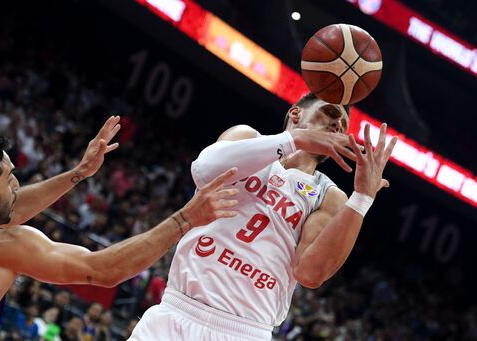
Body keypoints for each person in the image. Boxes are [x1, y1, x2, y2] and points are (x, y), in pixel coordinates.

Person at [0, 116, 239, 340]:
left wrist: (78, 173)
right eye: (9, 179)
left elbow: (5, 208)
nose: (17, 184)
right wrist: (185, 218)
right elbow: (104, 270)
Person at [129, 93, 398, 341]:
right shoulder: (246, 137)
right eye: (330, 112)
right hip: (177, 311)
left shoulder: (328, 196)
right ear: (295, 115)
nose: (338, 124)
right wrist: (296, 140)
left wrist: (362, 198)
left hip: (245, 330)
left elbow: (310, 273)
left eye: (342, 124)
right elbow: (203, 170)